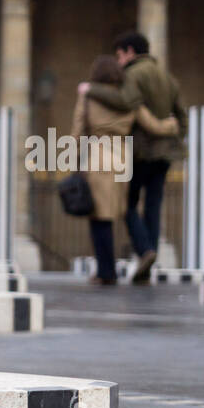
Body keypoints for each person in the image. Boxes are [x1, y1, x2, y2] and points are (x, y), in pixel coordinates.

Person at [82, 31, 186, 284]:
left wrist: (90, 89)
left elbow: (126, 102)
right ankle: (148, 260)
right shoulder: (168, 78)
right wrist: (173, 133)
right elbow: (182, 118)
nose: (118, 62)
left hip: (141, 151)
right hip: (165, 153)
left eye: (119, 55)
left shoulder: (133, 74)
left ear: (129, 51)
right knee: (153, 205)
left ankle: (145, 250)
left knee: (127, 205)